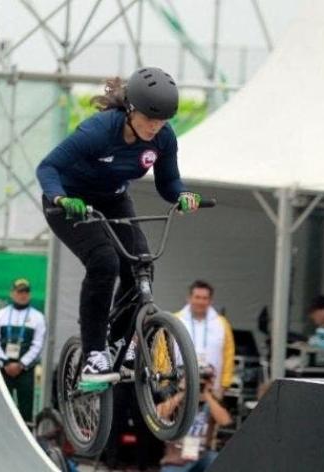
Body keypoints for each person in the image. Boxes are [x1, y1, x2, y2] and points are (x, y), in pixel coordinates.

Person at [36, 67, 202, 386]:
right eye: (150, 119)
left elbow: (168, 182)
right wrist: (59, 198)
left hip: (113, 200)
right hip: (71, 202)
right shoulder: (99, 131)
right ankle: (94, 356)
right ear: (130, 110)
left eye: (163, 120)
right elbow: (48, 167)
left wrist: (183, 195)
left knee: (141, 266)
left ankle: (121, 346)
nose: (156, 127)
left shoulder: (163, 139)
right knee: (104, 262)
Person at [0, 278, 46, 422]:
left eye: (26, 291)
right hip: (3, 368)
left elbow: (38, 344)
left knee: (25, 410)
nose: (23, 295)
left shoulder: (38, 317)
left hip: (25, 370)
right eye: (19, 291)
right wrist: (6, 362)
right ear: (12, 293)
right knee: (0, 406)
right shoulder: (0, 315)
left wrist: (21, 364)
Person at [157, 366, 232, 471]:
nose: (199, 385)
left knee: (216, 459)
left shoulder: (211, 403)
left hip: (202, 456)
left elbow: (225, 421)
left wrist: (207, 394)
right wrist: (185, 391)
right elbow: (160, 413)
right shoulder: (178, 401)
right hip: (178, 457)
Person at [175, 280, 235, 396]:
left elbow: (228, 355)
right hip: (178, 388)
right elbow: (163, 353)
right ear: (189, 298)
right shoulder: (176, 321)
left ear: (210, 300)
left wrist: (224, 385)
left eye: (204, 298)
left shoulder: (222, 324)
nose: (200, 302)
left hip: (212, 390)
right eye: (197, 297)